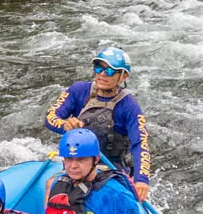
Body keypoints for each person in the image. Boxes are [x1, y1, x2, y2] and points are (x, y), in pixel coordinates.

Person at [43, 46, 152, 201]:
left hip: (109, 168)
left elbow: (140, 143)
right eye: (99, 68)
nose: (102, 74)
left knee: (104, 197)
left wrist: (141, 180)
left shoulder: (129, 107)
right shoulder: (78, 90)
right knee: (51, 185)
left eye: (110, 71)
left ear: (123, 76)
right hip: (76, 162)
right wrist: (64, 124)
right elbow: (50, 117)